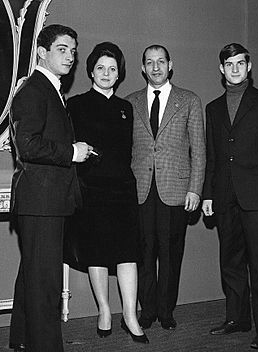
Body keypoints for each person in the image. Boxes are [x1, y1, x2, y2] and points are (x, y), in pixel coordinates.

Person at [202, 43, 258, 350]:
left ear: (249, 66)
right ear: (221, 69)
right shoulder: (213, 108)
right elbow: (212, 157)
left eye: (241, 63)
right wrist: (208, 195)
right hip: (225, 197)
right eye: (229, 64)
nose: (235, 69)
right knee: (230, 262)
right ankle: (237, 319)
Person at [9, 24, 92, 352]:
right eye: (62, 49)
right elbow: (28, 145)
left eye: (73, 50)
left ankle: (20, 339)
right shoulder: (35, 90)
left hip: (45, 200)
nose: (70, 56)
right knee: (45, 284)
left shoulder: (48, 89)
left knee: (32, 275)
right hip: (41, 200)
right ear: (42, 52)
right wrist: (73, 151)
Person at [64, 42, 149, 344]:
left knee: (129, 254)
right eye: (100, 67)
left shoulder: (126, 108)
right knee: (96, 254)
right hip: (92, 191)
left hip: (123, 190)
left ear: (119, 74)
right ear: (90, 71)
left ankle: (130, 316)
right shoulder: (75, 105)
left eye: (112, 69)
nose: (106, 73)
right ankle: (104, 311)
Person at [126, 44, 206, 330]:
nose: (156, 67)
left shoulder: (188, 100)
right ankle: (147, 311)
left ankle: (166, 310)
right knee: (144, 252)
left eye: (161, 61)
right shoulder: (131, 102)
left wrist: (195, 188)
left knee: (172, 254)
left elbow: (199, 149)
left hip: (176, 190)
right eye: (150, 62)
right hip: (141, 190)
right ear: (143, 68)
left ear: (170, 65)